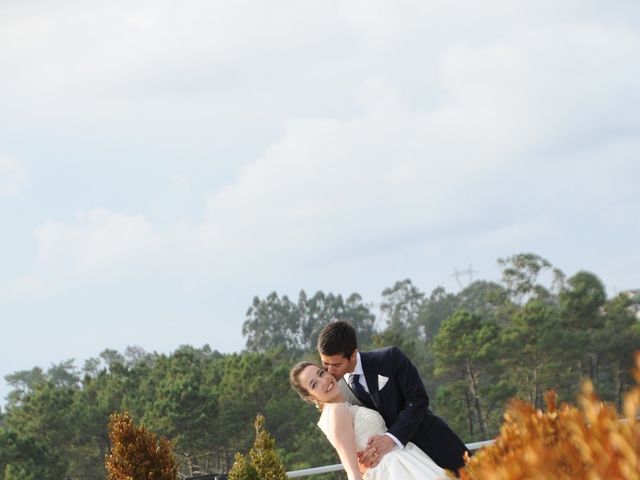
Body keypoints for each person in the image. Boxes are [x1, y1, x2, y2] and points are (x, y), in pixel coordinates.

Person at [317, 320, 469, 475]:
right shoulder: (337, 389)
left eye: (336, 365)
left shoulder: (389, 358)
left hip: (434, 445)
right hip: (392, 469)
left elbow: (418, 399)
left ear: (353, 355)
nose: (329, 371)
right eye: (325, 364)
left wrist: (391, 438)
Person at [290, 361, 447, 480]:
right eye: (314, 384)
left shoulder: (337, 409)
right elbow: (351, 470)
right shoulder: (336, 411)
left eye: (321, 373)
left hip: (400, 462)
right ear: (310, 397)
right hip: (391, 469)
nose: (324, 380)